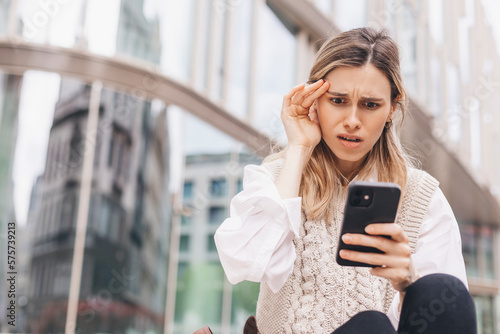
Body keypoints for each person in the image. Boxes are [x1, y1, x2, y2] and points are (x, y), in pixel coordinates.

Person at [214, 27, 477, 333]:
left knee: (444, 293)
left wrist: (407, 283)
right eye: (338, 101)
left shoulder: (422, 197)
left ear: (392, 108)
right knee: (371, 326)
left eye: (370, 105)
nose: (352, 120)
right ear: (314, 101)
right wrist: (298, 149)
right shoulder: (277, 181)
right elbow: (245, 262)